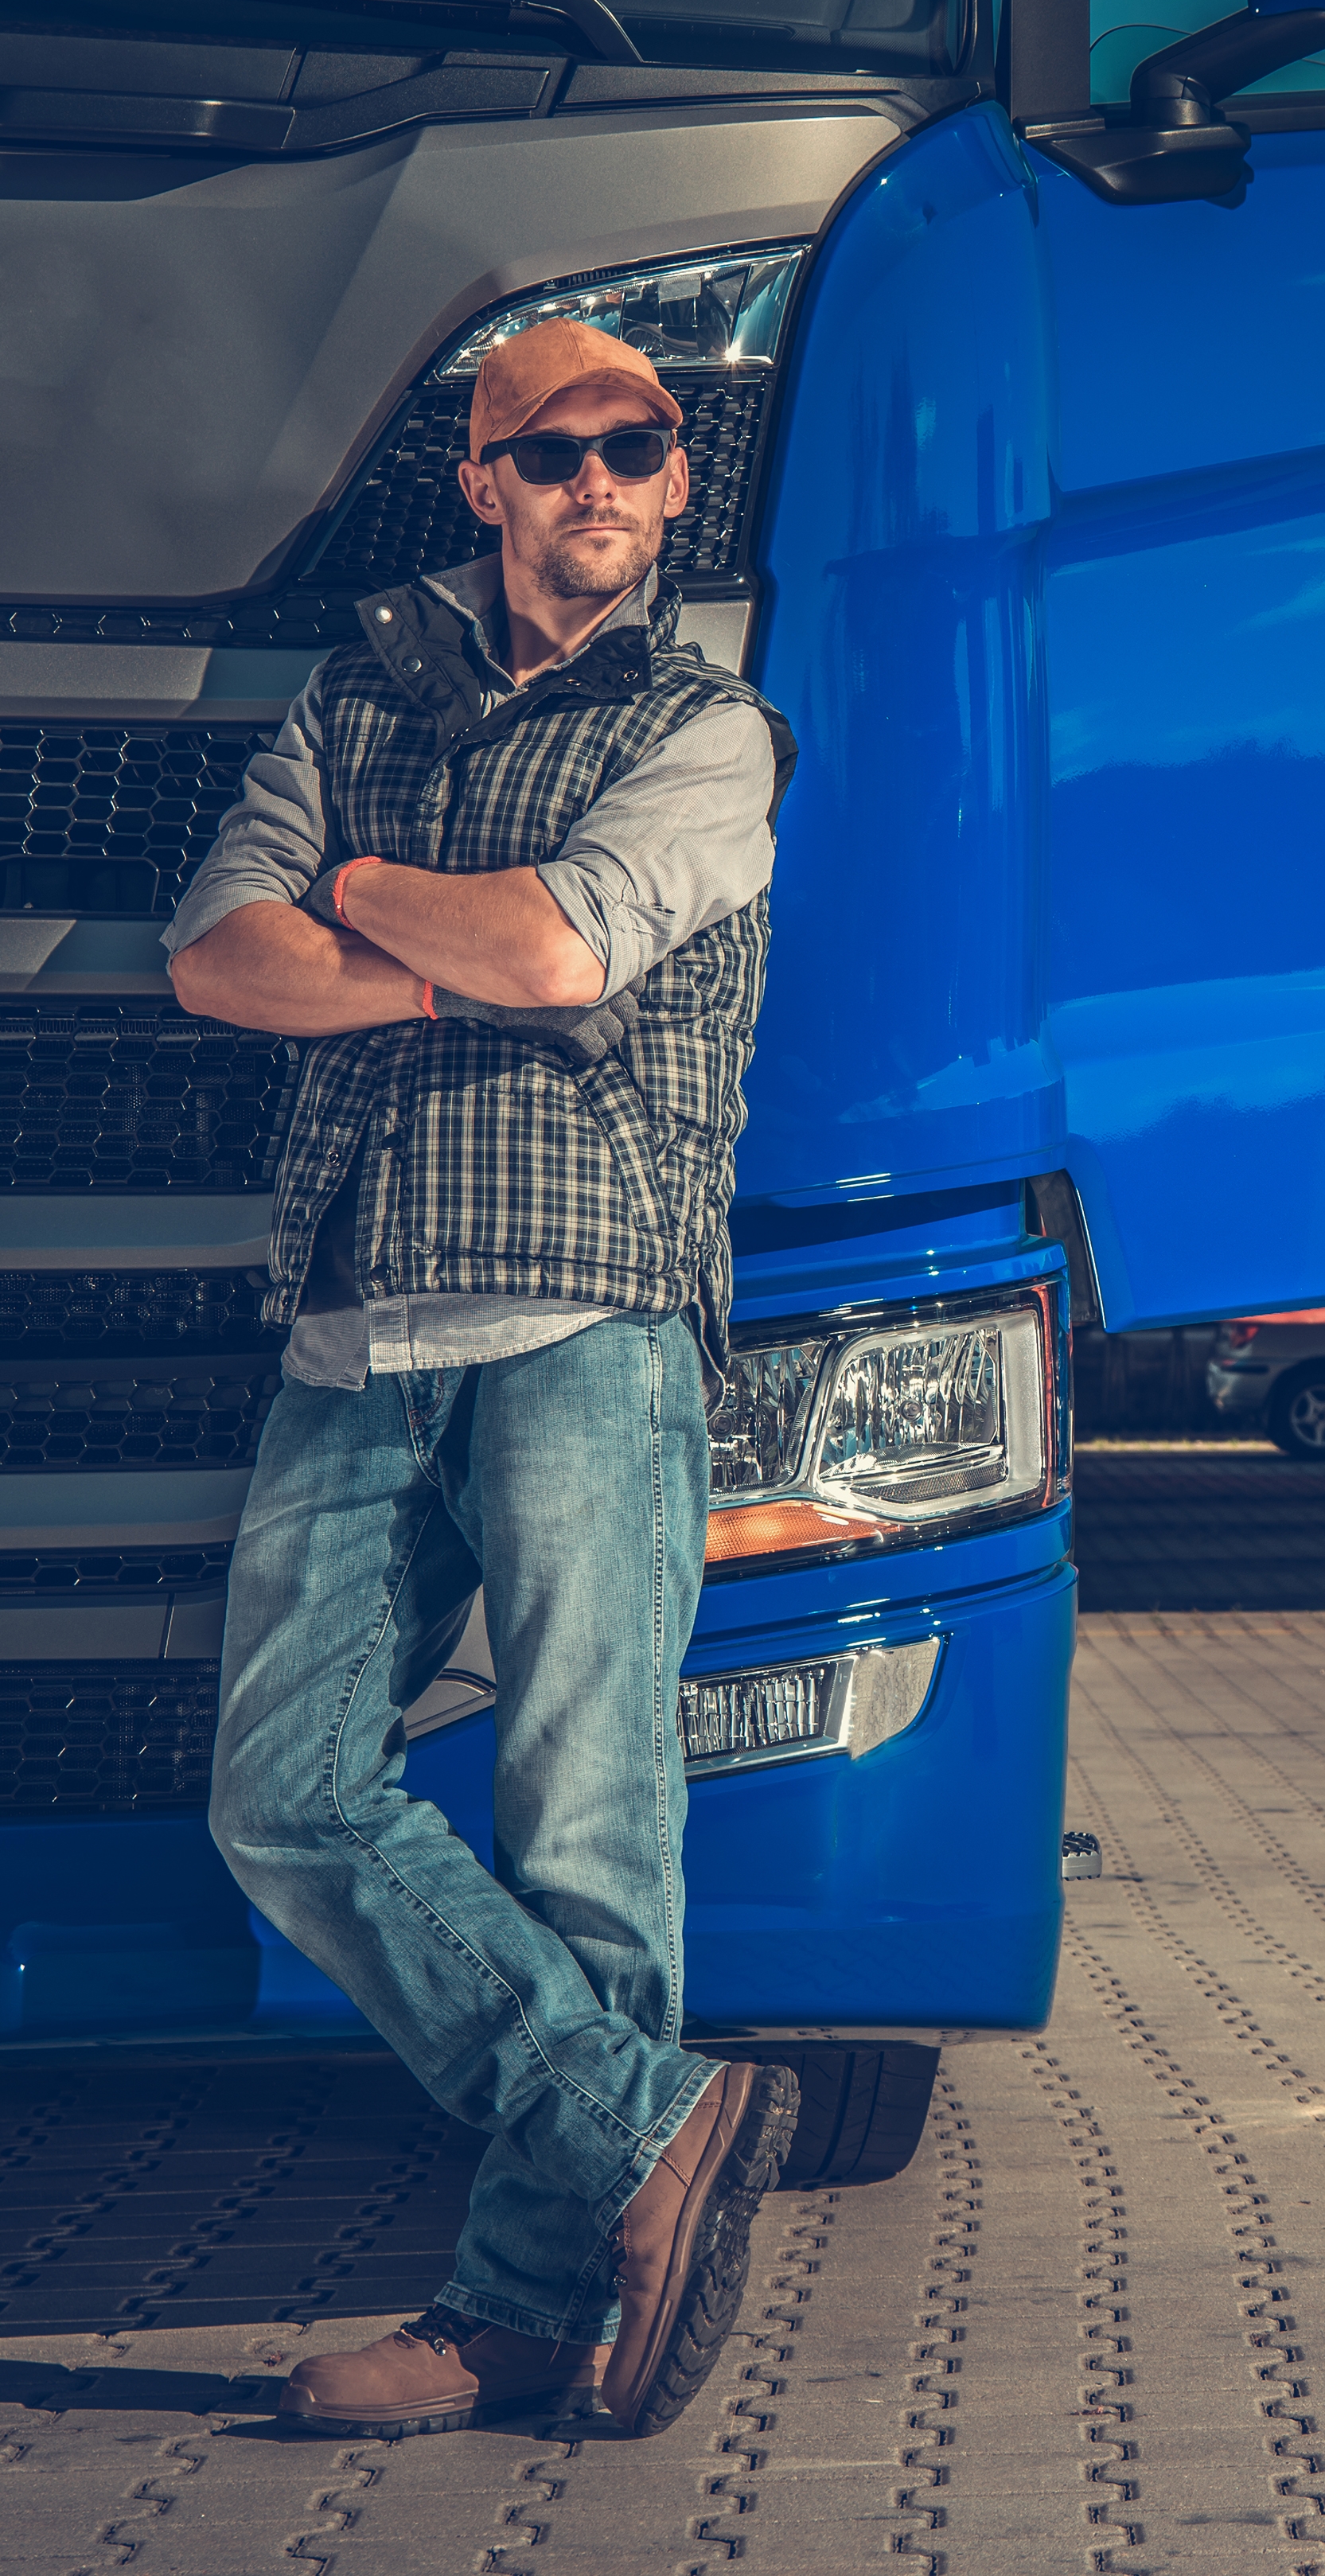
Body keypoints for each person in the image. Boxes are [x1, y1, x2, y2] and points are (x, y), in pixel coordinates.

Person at [164, 316, 797, 2440]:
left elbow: (566, 948)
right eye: (552, 453)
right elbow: (209, 957)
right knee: (283, 1797)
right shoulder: (358, 696)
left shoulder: (709, 734)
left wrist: (362, 896)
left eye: (637, 447)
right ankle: (643, 2121)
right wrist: (441, 922)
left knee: (590, 1833)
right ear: (483, 479)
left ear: (677, 481)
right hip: (354, 1321)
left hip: (589, 1319)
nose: (597, 482)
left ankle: (528, 2310)